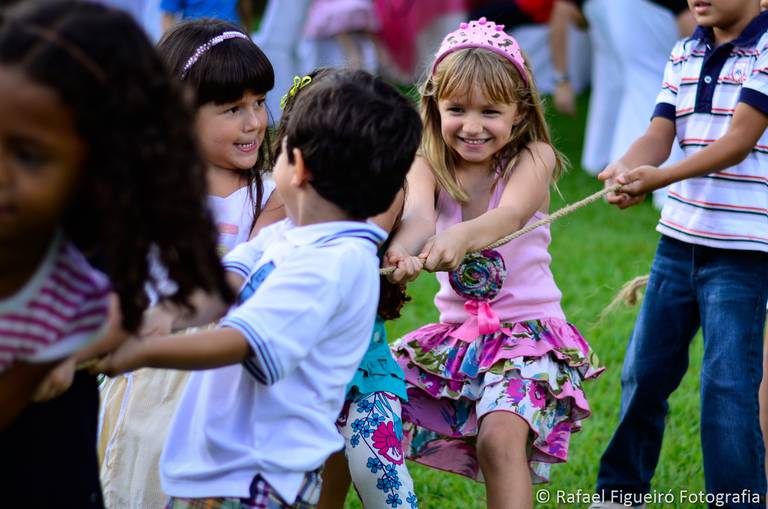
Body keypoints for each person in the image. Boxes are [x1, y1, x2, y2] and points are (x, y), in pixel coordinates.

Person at [95, 68, 422, 509]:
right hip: (225, 467)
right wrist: (153, 319)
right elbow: (219, 287)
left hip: (261, 478)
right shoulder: (290, 234)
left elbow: (244, 341)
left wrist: (141, 352)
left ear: (298, 167)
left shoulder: (336, 263)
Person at [0, 1, 233, 506]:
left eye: (29, 152)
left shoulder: (101, 230)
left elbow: (125, 308)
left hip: (45, 460)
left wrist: (57, 356)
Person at [385, 17, 603, 509]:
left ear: (519, 113)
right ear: (434, 107)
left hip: (529, 337)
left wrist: (460, 236)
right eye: (456, 109)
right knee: (366, 406)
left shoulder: (535, 157)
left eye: (491, 111)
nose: (473, 125)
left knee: (499, 441)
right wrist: (402, 248)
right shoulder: (426, 162)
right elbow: (419, 216)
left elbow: (509, 215)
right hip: (457, 339)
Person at [97, 18, 283, 508]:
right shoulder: (148, 192)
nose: (254, 122)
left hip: (224, 364)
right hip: (150, 367)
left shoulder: (272, 196)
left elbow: (256, 277)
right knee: (139, 473)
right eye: (232, 109)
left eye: (259, 103)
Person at [592, 1, 768, 507]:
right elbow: (659, 132)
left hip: (741, 256)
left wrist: (659, 179)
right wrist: (626, 166)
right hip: (677, 243)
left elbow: (738, 142)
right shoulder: (684, 50)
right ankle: (619, 494)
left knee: (727, 392)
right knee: (643, 375)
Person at [276, 69, 418, 509]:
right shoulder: (273, 219)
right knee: (304, 491)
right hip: (296, 382)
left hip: (367, 369)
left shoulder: (380, 192)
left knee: (378, 470)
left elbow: (395, 223)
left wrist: (403, 249)